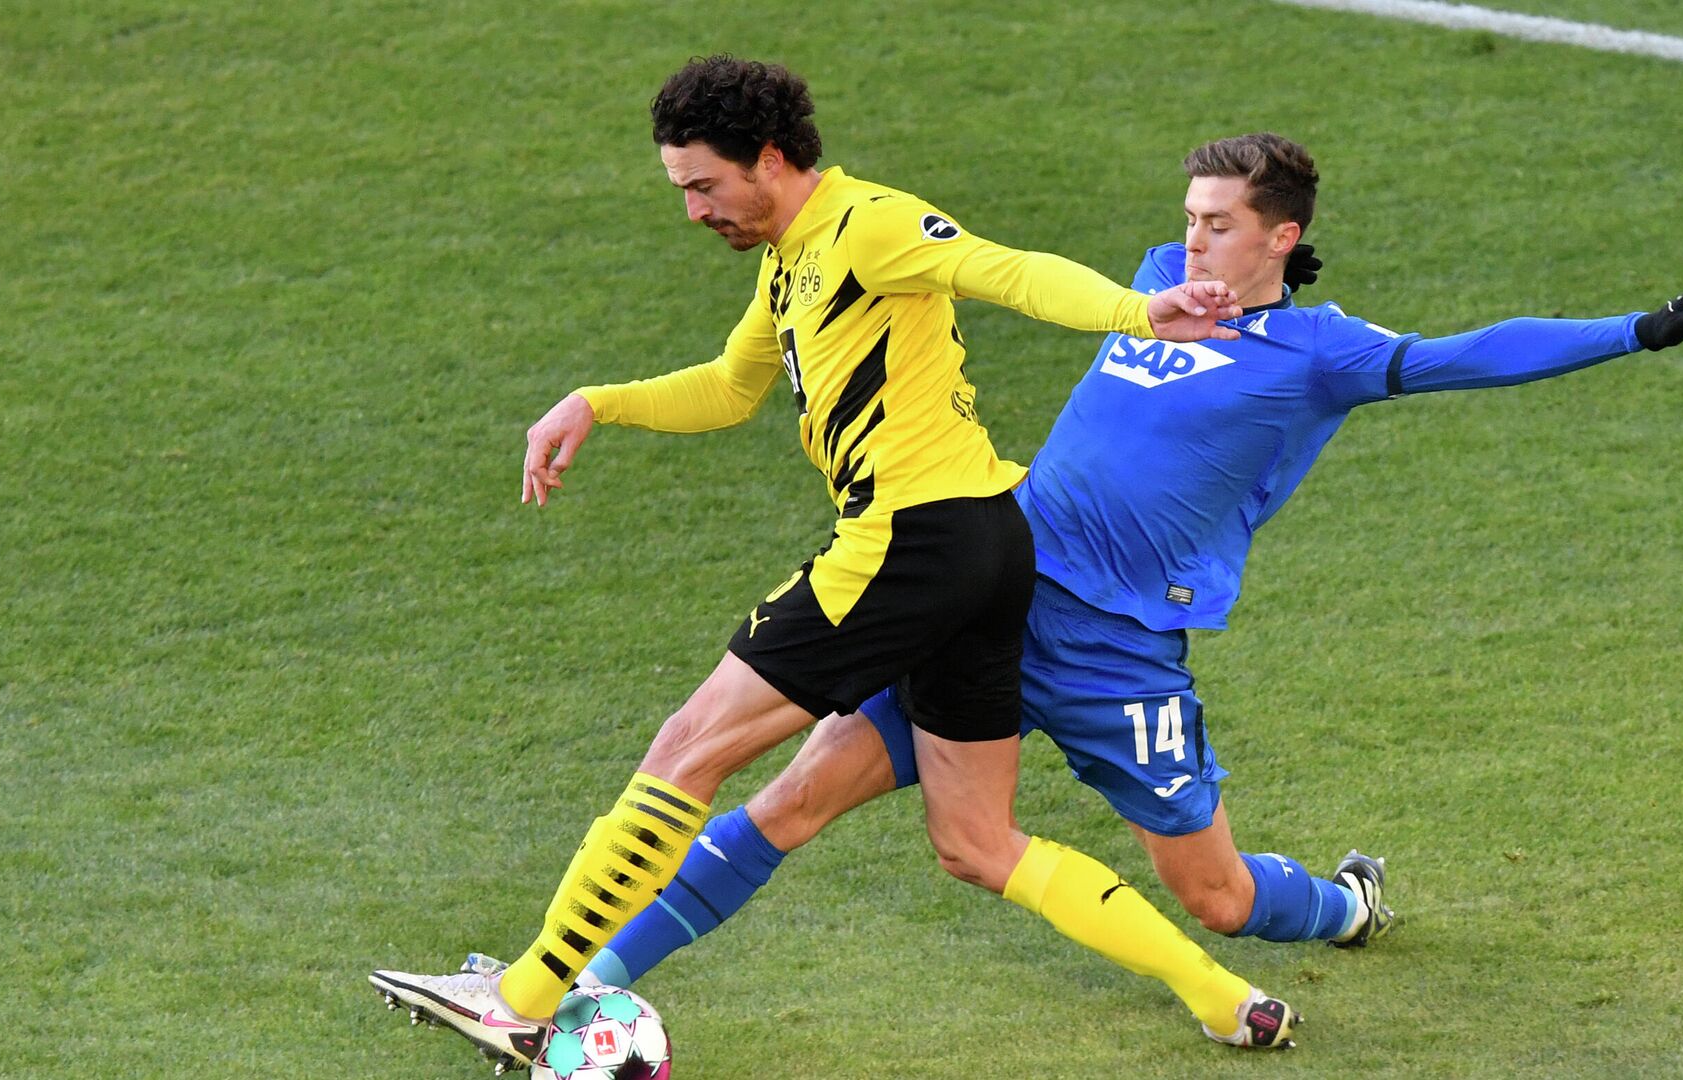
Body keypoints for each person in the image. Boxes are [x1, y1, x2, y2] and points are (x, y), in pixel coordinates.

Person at [462, 132, 1683, 1039]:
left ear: (1282, 237)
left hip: (1121, 653)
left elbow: (1470, 356)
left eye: (1218, 224)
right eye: (1187, 216)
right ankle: (570, 984)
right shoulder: (1152, 282)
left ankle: (1343, 908)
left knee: (1221, 894)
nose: (1189, 237)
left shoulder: (1323, 354)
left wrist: (1637, 330)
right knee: (797, 798)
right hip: (995, 582)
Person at [371, 58, 1308, 1073]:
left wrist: (1140, 311)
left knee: (688, 747)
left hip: (913, 543)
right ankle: (1226, 1001)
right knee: (978, 843)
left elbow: (1004, 269)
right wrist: (597, 401)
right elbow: (731, 389)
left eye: (703, 185)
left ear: (769, 160)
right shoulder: (790, 261)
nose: (692, 210)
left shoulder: (871, 224)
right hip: (987, 546)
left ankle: (519, 997)